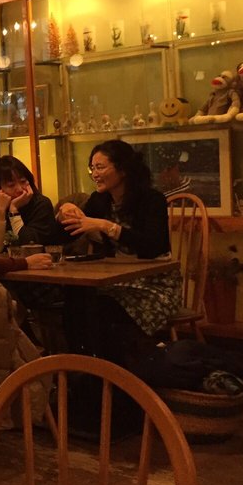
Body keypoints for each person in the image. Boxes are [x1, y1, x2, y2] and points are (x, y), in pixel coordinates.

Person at [56, 139, 182, 362]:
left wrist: (107, 227)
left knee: (100, 308)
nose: (95, 174)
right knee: (75, 299)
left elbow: (154, 245)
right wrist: (63, 212)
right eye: (92, 168)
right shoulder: (100, 200)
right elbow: (67, 234)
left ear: (123, 169)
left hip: (154, 285)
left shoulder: (152, 199)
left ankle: (112, 368)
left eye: (100, 167)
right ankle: (83, 368)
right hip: (118, 281)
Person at [0, 156, 59, 253]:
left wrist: (14, 211)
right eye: (11, 185)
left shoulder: (41, 204)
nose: (20, 189)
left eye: (23, 181)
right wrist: (0, 212)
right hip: (8, 262)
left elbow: (30, 244)